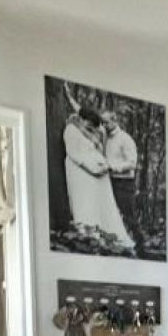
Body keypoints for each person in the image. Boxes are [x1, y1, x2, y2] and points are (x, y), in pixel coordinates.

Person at [61, 105, 132, 250]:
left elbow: (98, 149)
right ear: (81, 119)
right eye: (89, 124)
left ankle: (109, 237)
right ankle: (91, 236)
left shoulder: (93, 132)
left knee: (104, 206)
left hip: (99, 173)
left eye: (93, 125)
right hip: (83, 172)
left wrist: (102, 165)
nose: (91, 127)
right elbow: (73, 153)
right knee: (87, 204)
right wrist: (93, 169)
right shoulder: (70, 130)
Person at [101, 108, 140, 247]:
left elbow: (132, 163)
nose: (104, 125)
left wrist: (113, 167)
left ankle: (141, 246)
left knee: (129, 216)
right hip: (109, 181)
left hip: (124, 183)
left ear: (114, 121)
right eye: (102, 122)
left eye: (106, 122)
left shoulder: (125, 139)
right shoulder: (105, 138)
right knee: (111, 214)